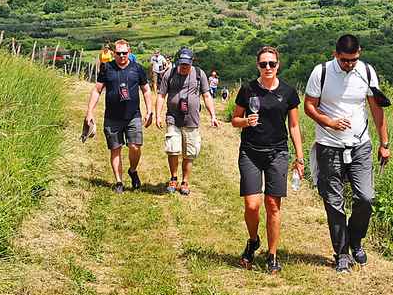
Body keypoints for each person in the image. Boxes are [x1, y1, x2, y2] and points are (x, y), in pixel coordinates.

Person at [304, 34, 390, 274]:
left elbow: (377, 110)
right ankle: (341, 253)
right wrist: (328, 122)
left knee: (365, 198)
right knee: (334, 202)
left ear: (359, 53)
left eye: (353, 59)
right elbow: (309, 105)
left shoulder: (367, 72)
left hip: (360, 145)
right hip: (329, 145)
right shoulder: (320, 73)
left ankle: (355, 240)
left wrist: (385, 142)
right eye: (344, 60)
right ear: (335, 54)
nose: (349, 64)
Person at [231, 46, 304, 274]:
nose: (268, 68)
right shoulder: (247, 90)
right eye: (263, 64)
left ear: (278, 64)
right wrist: (246, 122)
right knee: (252, 205)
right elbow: (234, 119)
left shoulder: (288, 92)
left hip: (277, 153)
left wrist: (299, 158)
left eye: (272, 64)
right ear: (258, 66)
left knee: (273, 205)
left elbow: (293, 125)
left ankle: (272, 255)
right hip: (250, 152)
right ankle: (253, 241)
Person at [85, 39, 154, 193]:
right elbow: (97, 90)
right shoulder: (107, 68)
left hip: (133, 116)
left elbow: (146, 90)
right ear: (113, 54)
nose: (122, 56)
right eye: (118, 53)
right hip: (112, 117)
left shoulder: (137, 69)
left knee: (135, 147)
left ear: (129, 52)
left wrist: (150, 110)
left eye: (124, 53)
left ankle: (133, 170)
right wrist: (90, 111)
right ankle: (119, 182)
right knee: (115, 149)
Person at [156, 47, 219, 196]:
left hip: (191, 120)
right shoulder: (169, 74)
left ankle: (185, 181)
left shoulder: (199, 74)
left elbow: (207, 95)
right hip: (173, 118)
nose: (184, 67)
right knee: (172, 149)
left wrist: (213, 115)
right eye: (182, 63)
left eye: (187, 64)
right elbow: (161, 95)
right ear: (178, 61)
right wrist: (158, 115)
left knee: (189, 153)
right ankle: (173, 178)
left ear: (191, 62)